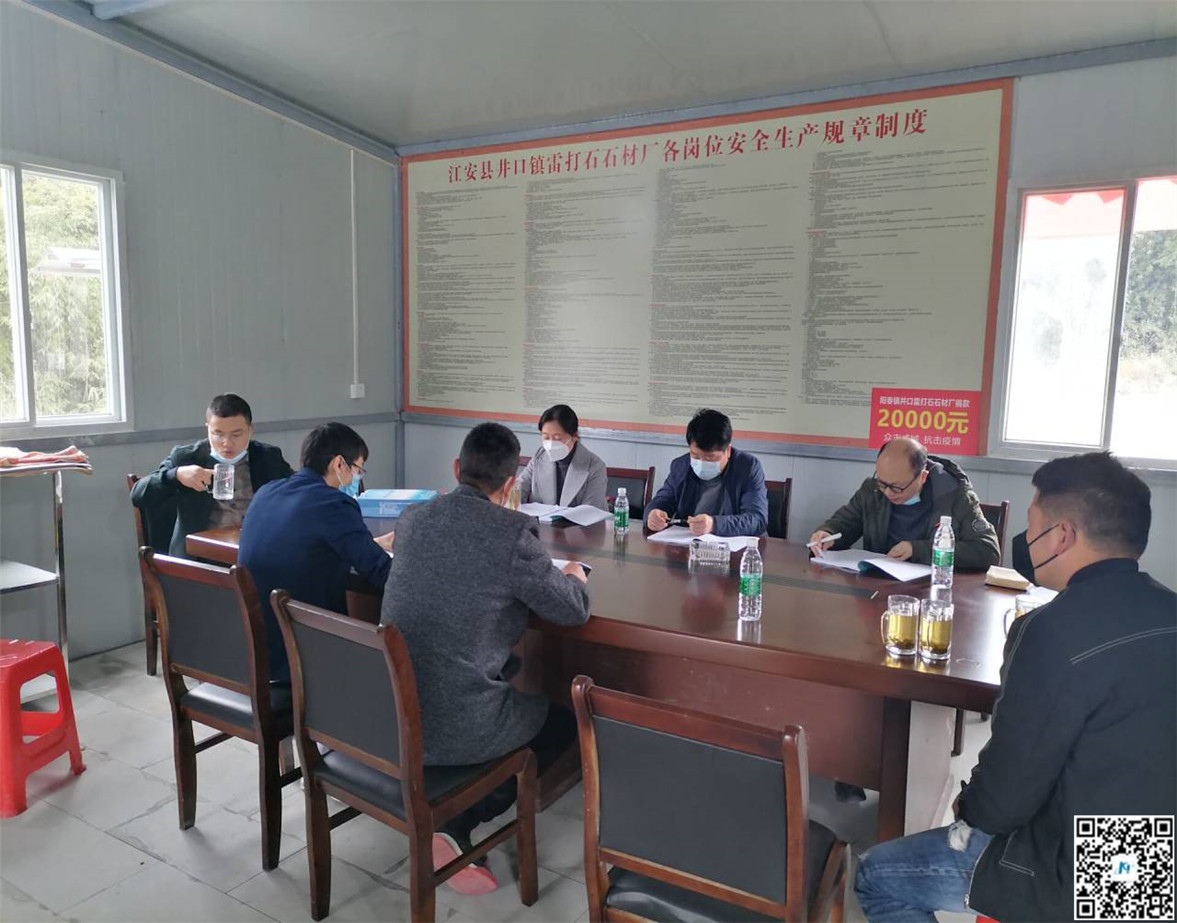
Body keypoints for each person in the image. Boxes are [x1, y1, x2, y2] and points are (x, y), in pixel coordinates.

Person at [855, 452, 1176, 923]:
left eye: (1033, 524)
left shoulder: (1050, 630)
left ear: (1062, 535)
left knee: (876, 875)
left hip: (1085, 875)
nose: (1026, 539)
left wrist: (967, 805)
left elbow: (1005, 799)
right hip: (1159, 860)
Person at [381, 422, 591, 895]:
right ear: (511, 484)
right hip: (457, 724)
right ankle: (459, 817)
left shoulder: (412, 520)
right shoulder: (511, 533)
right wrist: (575, 576)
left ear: (456, 468)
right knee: (567, 723)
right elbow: (572, 611)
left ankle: (448, 812)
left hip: (392, 714)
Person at [239, 422, 394, 682]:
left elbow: (304, 545)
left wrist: (370, 544)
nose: (356, 480)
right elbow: (381, 572)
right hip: (308, 656)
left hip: (258, 655)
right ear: (338, 464)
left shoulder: (267, 492)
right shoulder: (334, 503)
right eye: (357, 470)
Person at [131, 393, 293, 557]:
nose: (227, 442)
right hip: (200, 557)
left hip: (256, 552)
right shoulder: (187, 457)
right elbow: (138, 493)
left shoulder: (268, 457)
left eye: (236, 434)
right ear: (207, 428)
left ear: (250, 430)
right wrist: (177, 475)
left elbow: (297, 489)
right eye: (218, 434)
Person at [808, 437, 1000, 568]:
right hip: (878, 589)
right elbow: (845, 523)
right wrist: (828, 533)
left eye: (897, 487)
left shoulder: (954, 495)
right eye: (883, 483)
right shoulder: (872, 490)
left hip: (933, 592)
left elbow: (988, 550)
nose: (887, 492)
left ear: (922, 477)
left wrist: (918, 550)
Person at [645, 408, 768, 537]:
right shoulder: (681, 466)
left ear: (728, 451)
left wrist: (714, 524)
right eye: (695, 456)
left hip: (734, 545)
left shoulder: (747, 467)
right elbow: (662, 500)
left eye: (710, 458)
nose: (701, 462)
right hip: (689, 543)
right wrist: (653, 514)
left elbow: (757, 520)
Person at [516, 403, 607, 510]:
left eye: (557, 438)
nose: (550, 444)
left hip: (578, 521)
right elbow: (517, 491)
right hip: (540, 520)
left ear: (574, 436)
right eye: (546, 437)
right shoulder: (539, 457)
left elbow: (591, 511)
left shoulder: (595, 466)